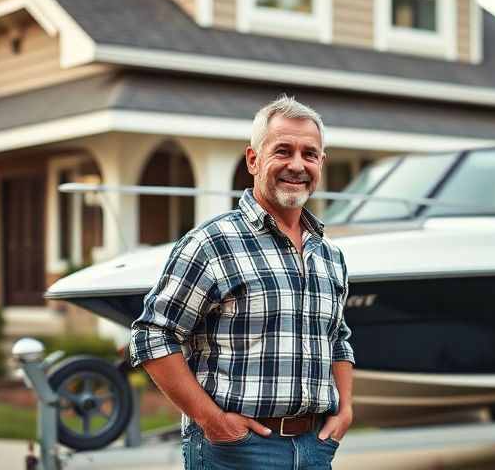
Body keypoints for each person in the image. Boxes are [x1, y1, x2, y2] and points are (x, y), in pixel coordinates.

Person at [129, 95, 355, 469]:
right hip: (236, 451)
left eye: (309, 154)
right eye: (283, 151)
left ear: (321, 164)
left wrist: (345, 409)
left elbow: (338, 338)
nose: (297, 165)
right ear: (253, 159)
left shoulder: (329, 254)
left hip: (314, 449)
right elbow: (152, 335)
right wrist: (212, 421)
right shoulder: (211, 243)